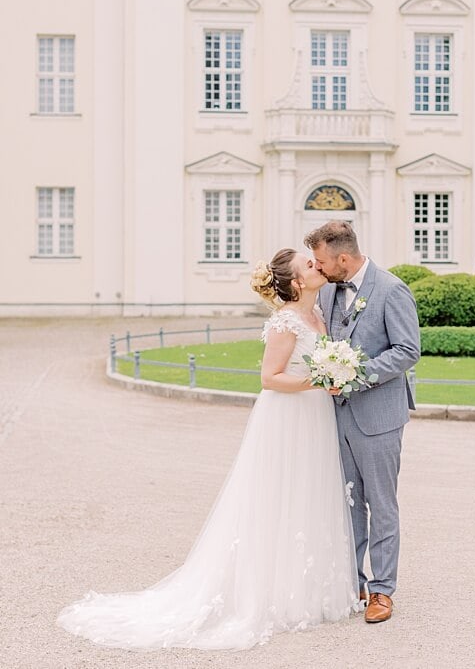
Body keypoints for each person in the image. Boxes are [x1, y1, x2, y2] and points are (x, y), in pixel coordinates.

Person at [58, 248, 358, 650]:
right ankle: (269, 593)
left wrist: (329, 377)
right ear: (297, 282)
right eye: (309, 264)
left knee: (309, 491)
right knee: (277, 495)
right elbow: (270, 378)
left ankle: (309, 587)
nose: (316, 264)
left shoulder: (317, 314)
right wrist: (319, 381)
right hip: (288, 415)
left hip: (314, 414)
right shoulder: (285, 322)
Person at [304, 221, 421, 625]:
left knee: (381, 504)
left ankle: (383, 590)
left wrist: (356, 373)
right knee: (348, 501)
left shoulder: (391, 290)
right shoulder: (332, 291)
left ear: (342, 257)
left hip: (379, 416)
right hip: (337, 415)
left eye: (321, 261)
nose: (317, 269)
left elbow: (408, 350)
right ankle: (351, 581)